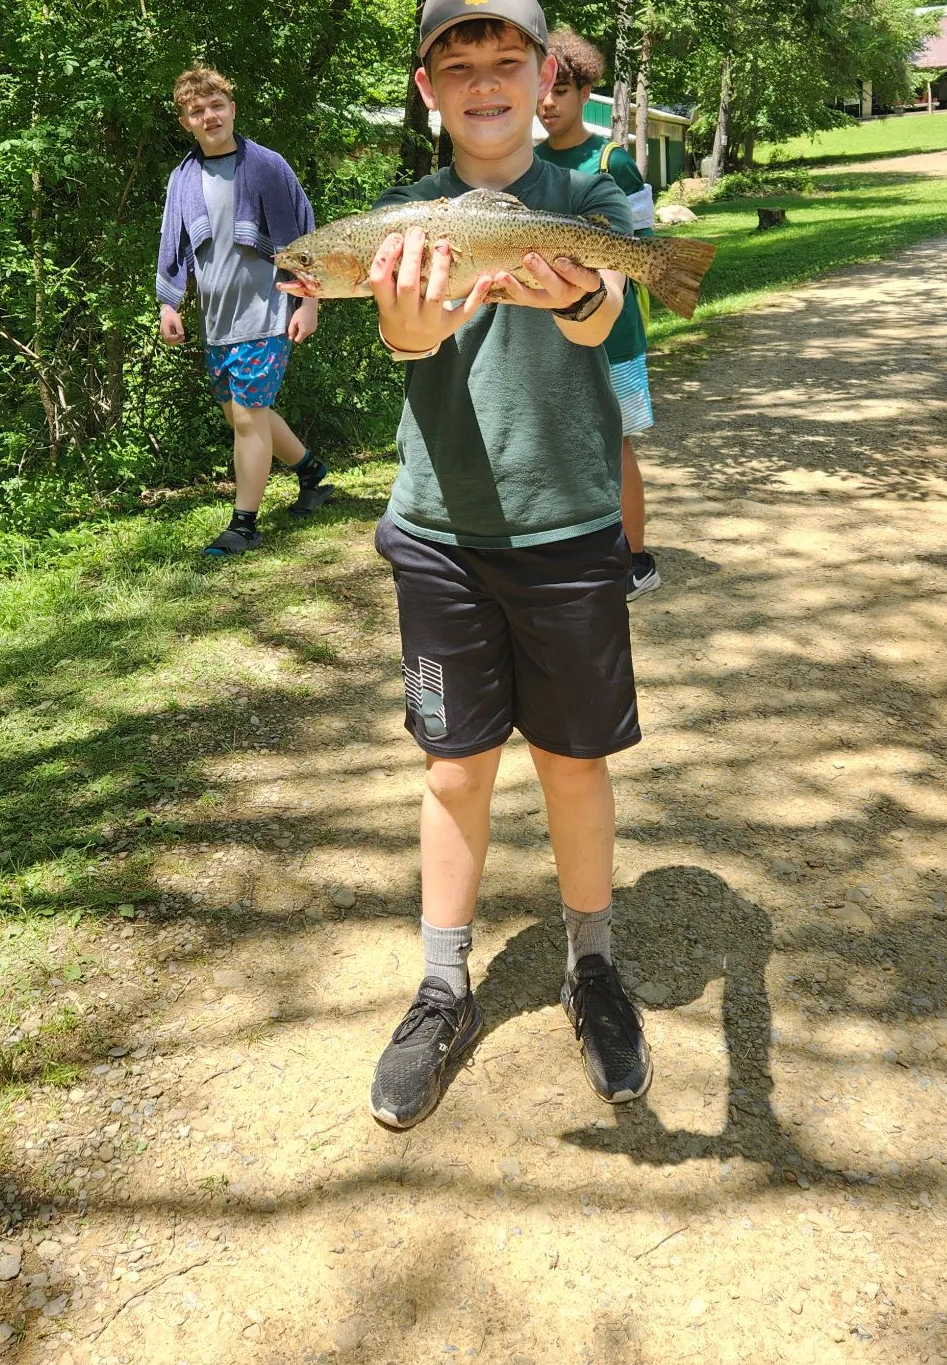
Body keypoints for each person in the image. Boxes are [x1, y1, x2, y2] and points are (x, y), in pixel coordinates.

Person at [286, 0, 653, 1129]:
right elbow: (409, 341)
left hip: (571, 527)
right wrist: (410, 321)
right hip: (439, 534)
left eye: (507, 62)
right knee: (453, 770)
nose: (486, 83)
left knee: (574, 763)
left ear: (544, 77)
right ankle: (442, 984)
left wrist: (586, 290)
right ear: (427, 89)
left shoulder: (589, 194)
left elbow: (605, 313)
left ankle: (593, 965)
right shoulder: (396, 228)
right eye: (461, 67)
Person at [156, 66, 332, 556]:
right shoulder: (183, 178)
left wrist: (309, 301)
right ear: (186, 121)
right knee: (243, 414)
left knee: (250, 416)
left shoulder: (268, 166)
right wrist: (170, 301)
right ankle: (312, 475)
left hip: (268, 310)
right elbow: (173, 243)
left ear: (232, 108)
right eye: (197, 111)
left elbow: (305, 237)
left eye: (216, 106)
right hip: (217, 317)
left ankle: (244, 524)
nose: (209, 116)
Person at [536, 26, 661, 601]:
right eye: (543, 89)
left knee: (616, 445)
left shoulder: (613, 160)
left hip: (615, 335)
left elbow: (648, 247)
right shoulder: (529, 166)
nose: (549, 103)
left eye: (562, 90)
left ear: (586, 91)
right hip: (553, 334)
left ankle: (636, 558)